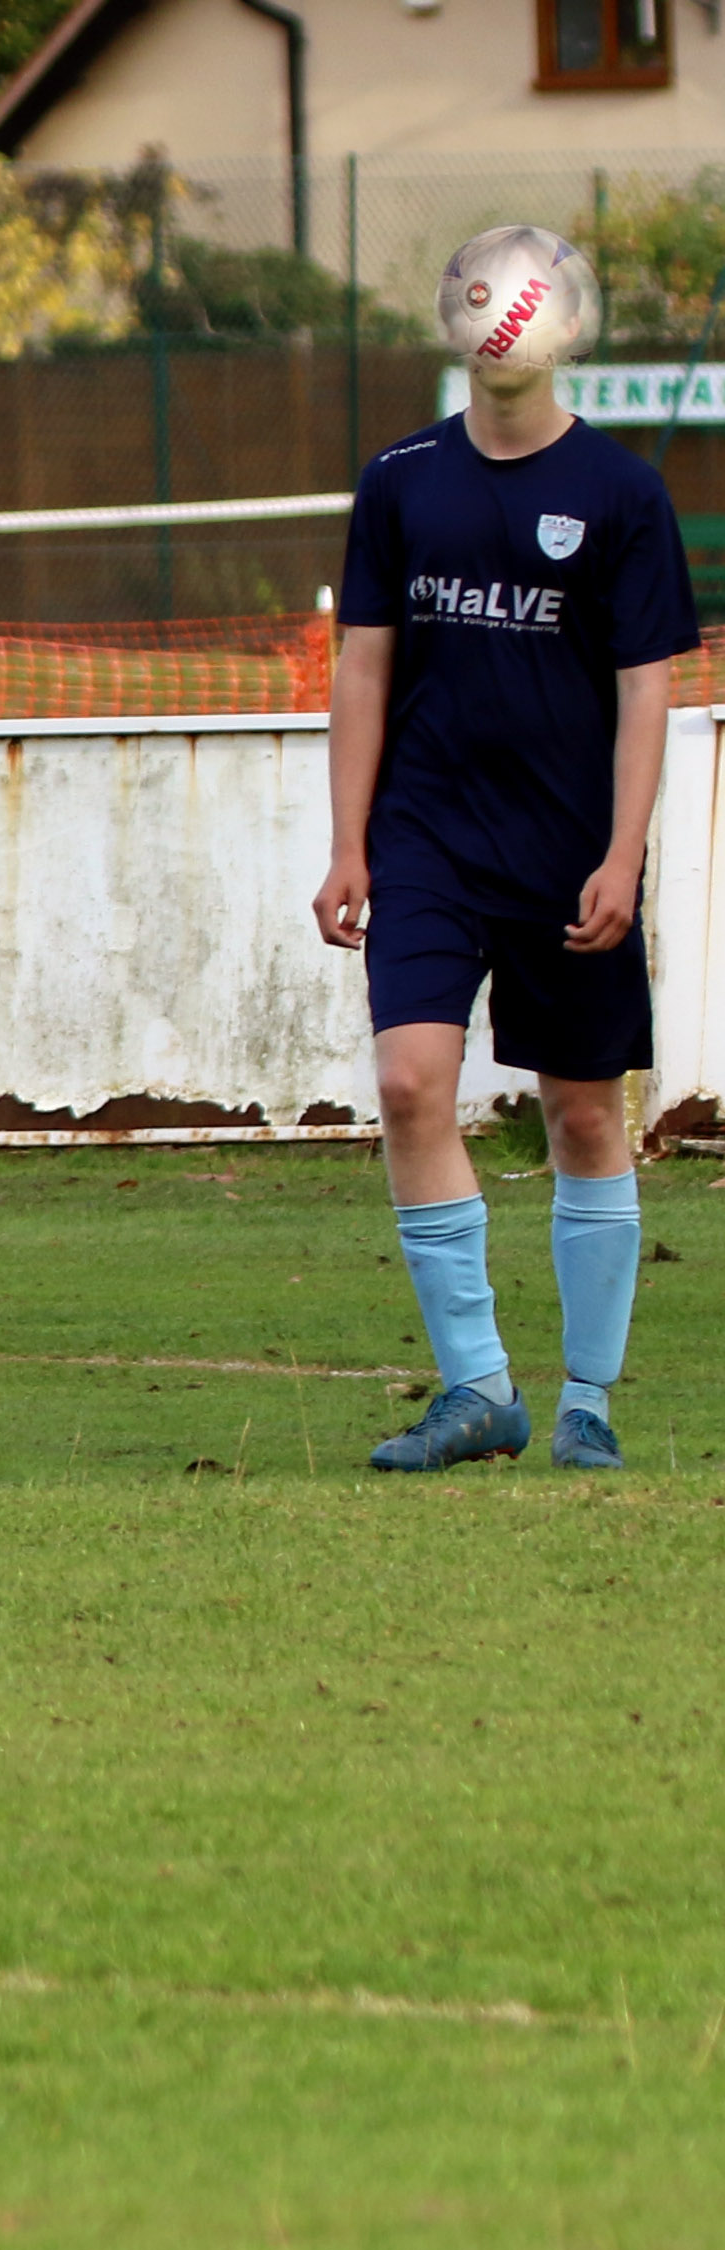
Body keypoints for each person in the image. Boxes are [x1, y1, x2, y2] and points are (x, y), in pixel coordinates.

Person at [315, 223, 692, 1473]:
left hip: (567, 849)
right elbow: (361, 663)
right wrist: (348, 841)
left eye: (519, 296)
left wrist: (622, 852)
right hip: (424, 838)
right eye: (479, 292)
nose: (500, 314)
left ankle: (586, 1395)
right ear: (456, 315)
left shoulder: (624, 495)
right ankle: (476, 1390)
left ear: (562, 323)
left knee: (583, 1115)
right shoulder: (401, 477)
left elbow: (648, 691)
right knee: (412, 1082)